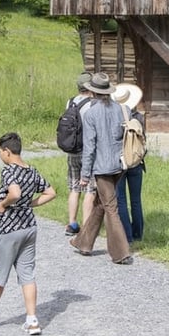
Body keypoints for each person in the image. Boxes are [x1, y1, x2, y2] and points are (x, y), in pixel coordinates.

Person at [0, 131, 56, 335]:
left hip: (9, 229)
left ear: (7, 151)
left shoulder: (9, 171)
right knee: (27, 274)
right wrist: (29, 204)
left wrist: (2, 204)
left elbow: (14, 193)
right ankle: (32, 320)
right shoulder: (31, 170)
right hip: (29, 228)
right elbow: (51, 192)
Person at [69, 72, 132, 264]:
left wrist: (85, 175)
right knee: (100, 204)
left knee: (110, 207)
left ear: (93, 92)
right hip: (121, 164)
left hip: (102, 168)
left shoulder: (91, 114)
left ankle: (121, 253)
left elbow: (90, 146)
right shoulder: (124, 109)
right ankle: (83, 242)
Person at [64, 73, 96, 236]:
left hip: (72, 151)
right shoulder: (92, 105)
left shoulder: (70, 102)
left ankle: (72, 223)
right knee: (90, 190)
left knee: (74, 188)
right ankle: (86, 228)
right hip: (87, 152)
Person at [113, 82, 145, 243]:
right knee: (136, 200)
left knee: (121, 200)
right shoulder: (139, 117)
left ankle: (127, 236)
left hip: (120, 163)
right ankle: (139, 232)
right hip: (137, 162)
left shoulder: (115, 118)